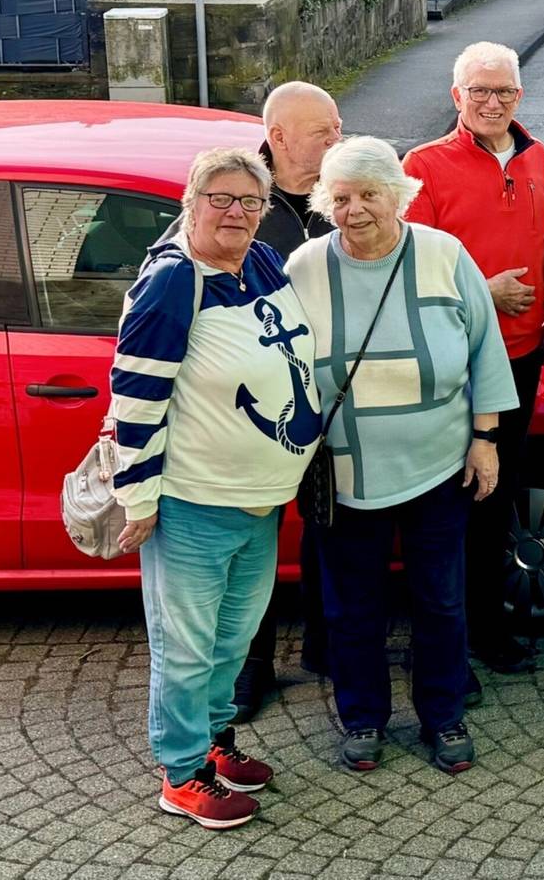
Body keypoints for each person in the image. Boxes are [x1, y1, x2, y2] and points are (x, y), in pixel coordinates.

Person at [286, 138, 518, 777]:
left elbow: (483, 350)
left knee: (440, 600)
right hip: (344, 469)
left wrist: (485, 439)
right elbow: (280, 363)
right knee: (351, 606)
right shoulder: (304, 267)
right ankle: (362, 717)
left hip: (438, 464)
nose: (354, 210)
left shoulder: (443, 256)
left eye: (368, 195)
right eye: (340, 199)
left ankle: (443, 715)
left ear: (400, 195)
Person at [110, 148, 318, 830]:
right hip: (195, 501)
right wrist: (138, 496)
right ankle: (181, 772)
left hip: (259, 499)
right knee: (189, 642)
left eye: (250, 201)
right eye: (221, 199)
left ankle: (217, 742)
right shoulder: (173, 281)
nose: (236, 212)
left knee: (232, 637)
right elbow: (135, 393)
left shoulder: (256, 258)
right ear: (190, 202)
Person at [402, 42, 544, 684]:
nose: (492, 103)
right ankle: (441, 644)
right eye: (479, 92)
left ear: (519, 95)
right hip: (450, 366)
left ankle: (487, 628)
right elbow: (404, 268)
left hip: (518, 359)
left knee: (495, 501)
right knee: (444, 510)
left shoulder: (538, 156)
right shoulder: (424, 165)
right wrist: (481, 292)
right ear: (457, 96)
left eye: (504, 92)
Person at [229, 81, 342, 723]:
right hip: (263, 406)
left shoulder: (341, 194)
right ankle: (251, 667)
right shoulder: (241, 200)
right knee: (255, 540)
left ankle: (327, 645)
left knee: (331, 528)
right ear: (277, 137)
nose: (337, 139)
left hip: (331, 398)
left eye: (337, 127)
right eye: (324, 130)